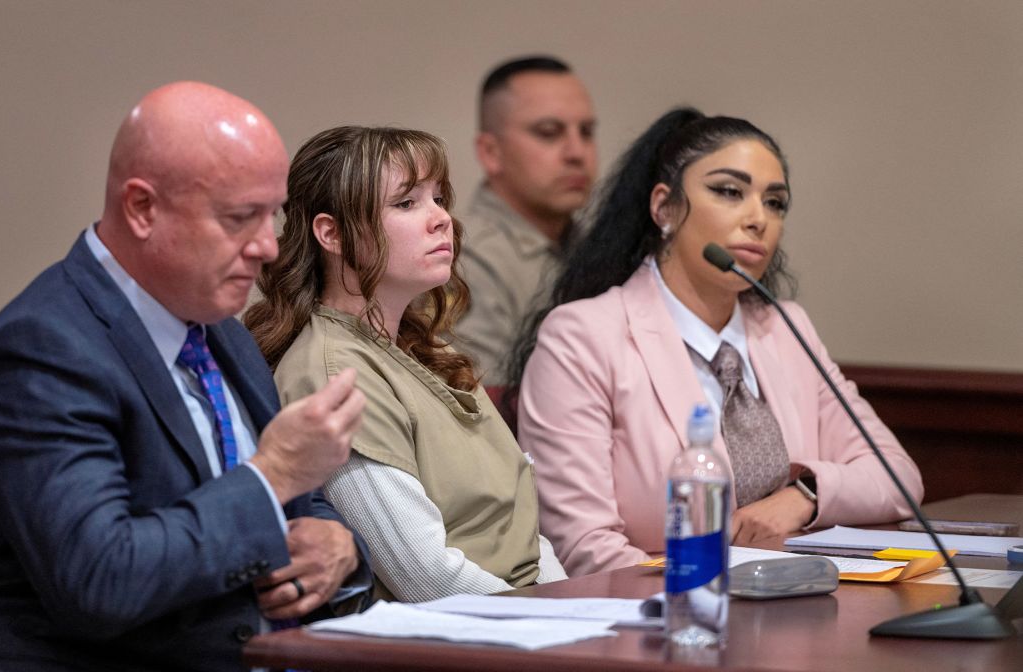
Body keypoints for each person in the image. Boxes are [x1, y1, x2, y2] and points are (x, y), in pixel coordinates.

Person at [0, 82, 373, 671]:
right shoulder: (41, 351)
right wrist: (271, 475)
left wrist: (339, 548)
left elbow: (300, 503)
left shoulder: (216, 325)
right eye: (239, 218)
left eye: (271, 215)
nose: (270, 246)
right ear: (142, 208)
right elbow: (101, 580)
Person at [510, 108, 924, 576]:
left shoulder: (787, 328)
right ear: (664, 208)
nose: (757, 219)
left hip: (796, 608)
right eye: (729, 192)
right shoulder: (583, 336)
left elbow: (897, 476)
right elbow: (582, 545)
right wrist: (713, 601)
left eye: (775, 202)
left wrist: (804, 497)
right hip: (659, 622)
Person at [244, 125, 567, 602]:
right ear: (331, 234)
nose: (442, 219)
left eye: (439, 198)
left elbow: (523, 537)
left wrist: (573, 605)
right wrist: (559, 623)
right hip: (465, 639)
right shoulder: (333, 373)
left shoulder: (433, 352)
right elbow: (426, 579)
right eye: (407, 203)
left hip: (527, 617)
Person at [455, 55, 598, 385]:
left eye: (587, 132)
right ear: (491, 153)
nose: (577, 152)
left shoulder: (595, 245)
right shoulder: (461, 259)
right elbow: (476, 409)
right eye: (549, 133)